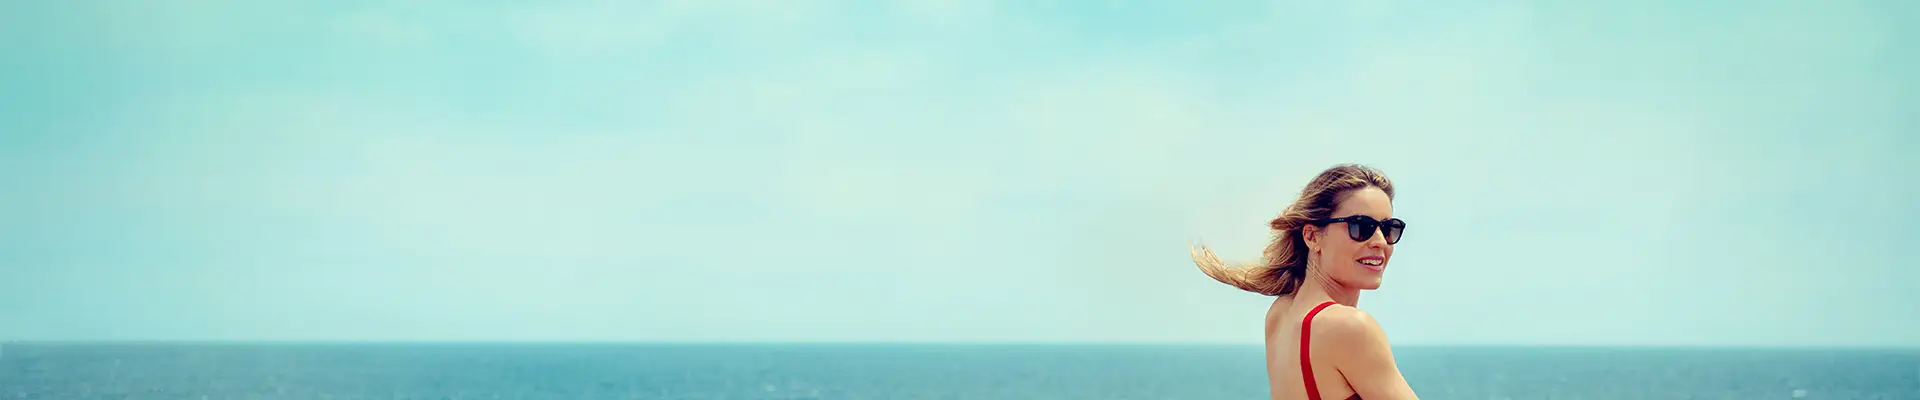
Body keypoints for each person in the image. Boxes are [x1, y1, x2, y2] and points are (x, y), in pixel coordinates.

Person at [1190, 164, 1418, 400]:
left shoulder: (1280, 314)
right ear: (1311, 236)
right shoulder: (1351, 328)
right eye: (1360, 227)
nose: (1380, 241)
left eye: (1389, 228)